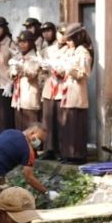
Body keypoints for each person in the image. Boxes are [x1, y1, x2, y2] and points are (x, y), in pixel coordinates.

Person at [59, 23, 92, 163]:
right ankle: (67, 153)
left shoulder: (83, 52)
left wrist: (70, 69)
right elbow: (62, 68)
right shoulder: (68, 51)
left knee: (76, 125)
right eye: (67, 40)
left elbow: (84, 74)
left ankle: (78, 155)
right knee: (67, 125)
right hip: (66, 91)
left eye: (71, 39)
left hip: (77, 91)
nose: (68, 42)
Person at [38, 22, 63, 159]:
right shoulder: (45, 49)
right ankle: (49, 149)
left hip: (60, 87)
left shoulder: (62, 49)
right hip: (48, 86)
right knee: (47, 120)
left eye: (48, 31)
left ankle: (59, 149)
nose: (46, 34)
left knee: (59, 120)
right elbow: (42, 70)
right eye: (43, 31)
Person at [10, 31, 43, 130]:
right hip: (18, 98)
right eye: (20, 42)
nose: (22, 45)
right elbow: (11, 73)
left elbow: (32, 74)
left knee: (31, 129)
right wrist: (13, 72)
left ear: (31, 43)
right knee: (19, 128)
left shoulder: (35, 57)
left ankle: (34, 146)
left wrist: (22, 68)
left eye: (25, 42)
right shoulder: (17, 56)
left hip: (30, 96)